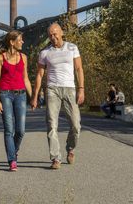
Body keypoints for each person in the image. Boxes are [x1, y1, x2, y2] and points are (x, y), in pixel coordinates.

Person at [31, 23, 85, 169]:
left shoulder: (72, 48)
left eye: (55, 34)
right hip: (52, 89)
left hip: (69, 89)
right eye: (50, 35)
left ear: (61, 33)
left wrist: (81, 89)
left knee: (76, 125)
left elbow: (79, 69)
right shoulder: (44, 53)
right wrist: (35, 96)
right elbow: (39, 75)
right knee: (51, 124)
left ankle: (71, 148)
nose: (53, 37)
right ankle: (56, 158)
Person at [0, 30, 32, 172]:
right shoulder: (1, 58)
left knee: (20, 130)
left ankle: (13, 151)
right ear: (12, 42)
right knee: (9, 129)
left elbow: (26, 79)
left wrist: (33, 97)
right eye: (20, 40)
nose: (22, 42)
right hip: (5, 95)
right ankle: (12, 160)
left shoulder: (24, 57)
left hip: (21, 95)